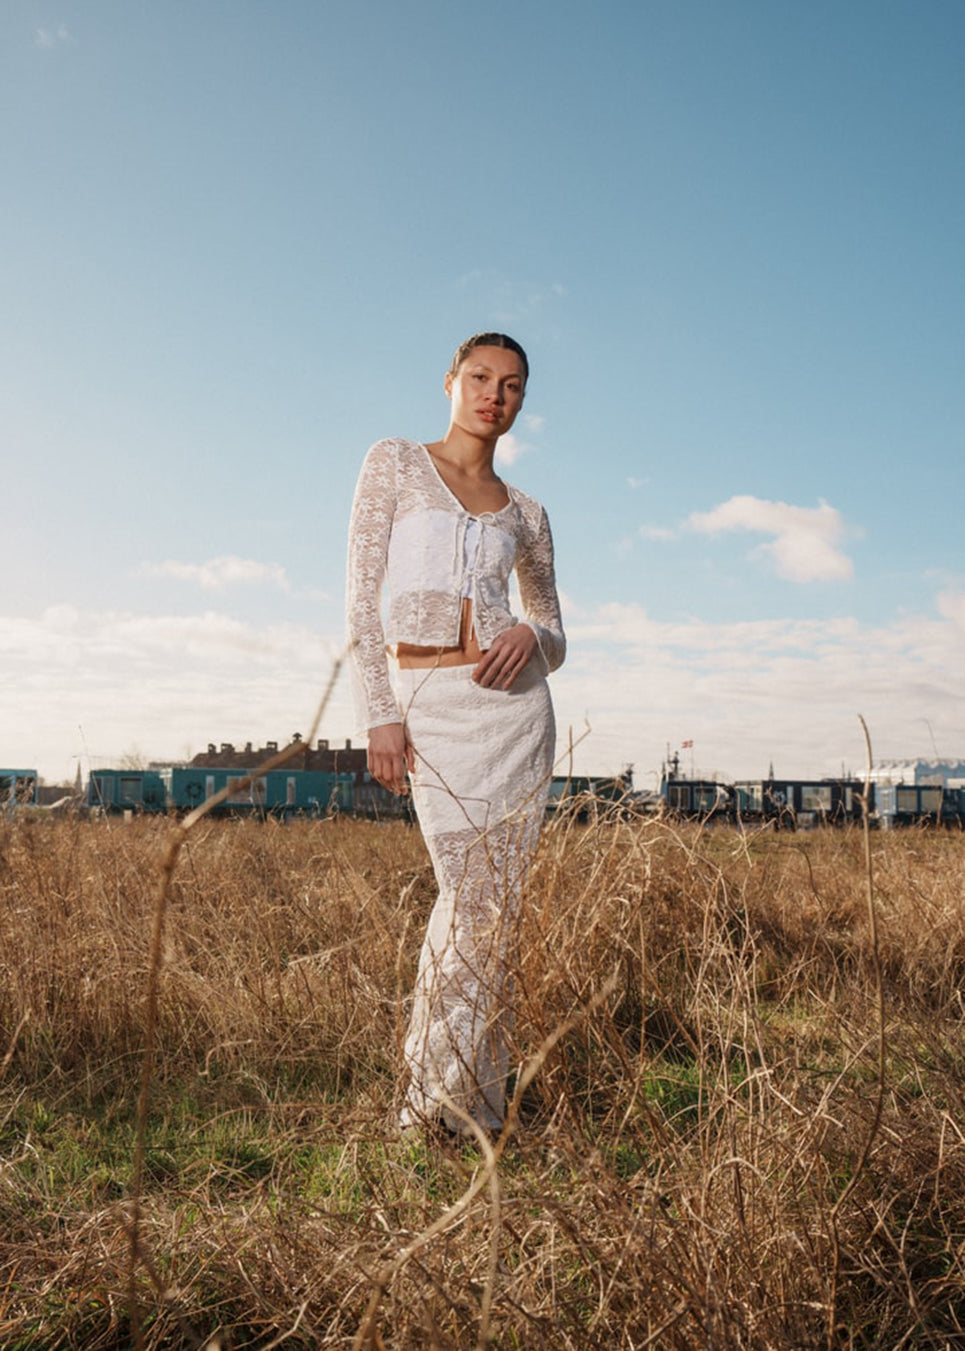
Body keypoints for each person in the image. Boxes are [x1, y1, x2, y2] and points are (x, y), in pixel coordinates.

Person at [346, 332, 565, 1138]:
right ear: (450, 381)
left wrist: (533, 641)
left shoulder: (530, 514)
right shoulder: (396, 463)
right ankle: (432, 1107)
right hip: (429, 699)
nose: (493, 395)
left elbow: (553, 626)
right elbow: (360, 597)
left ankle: (469, 1105)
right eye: (479, 378)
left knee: (493, 910)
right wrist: (381, 711)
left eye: (511, 385)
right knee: (468, 900)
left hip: (515, 716)